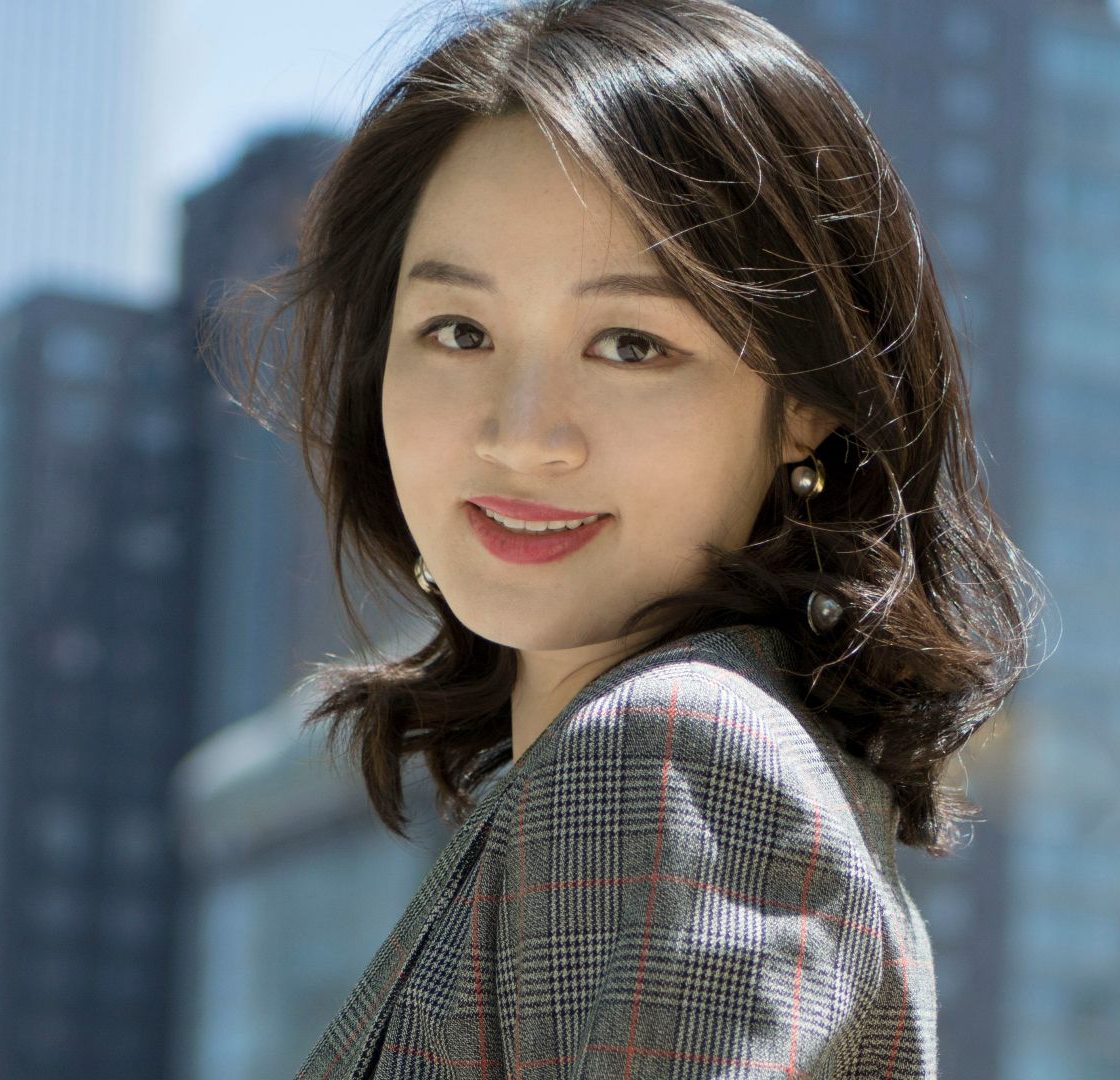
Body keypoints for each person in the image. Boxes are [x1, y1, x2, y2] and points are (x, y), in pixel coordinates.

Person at [206, 0, 1045, 1074]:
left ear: (804, 402)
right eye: (458, 332)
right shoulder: (651, 761)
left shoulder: (668, 752)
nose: (522, 436)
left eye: (630, 343)